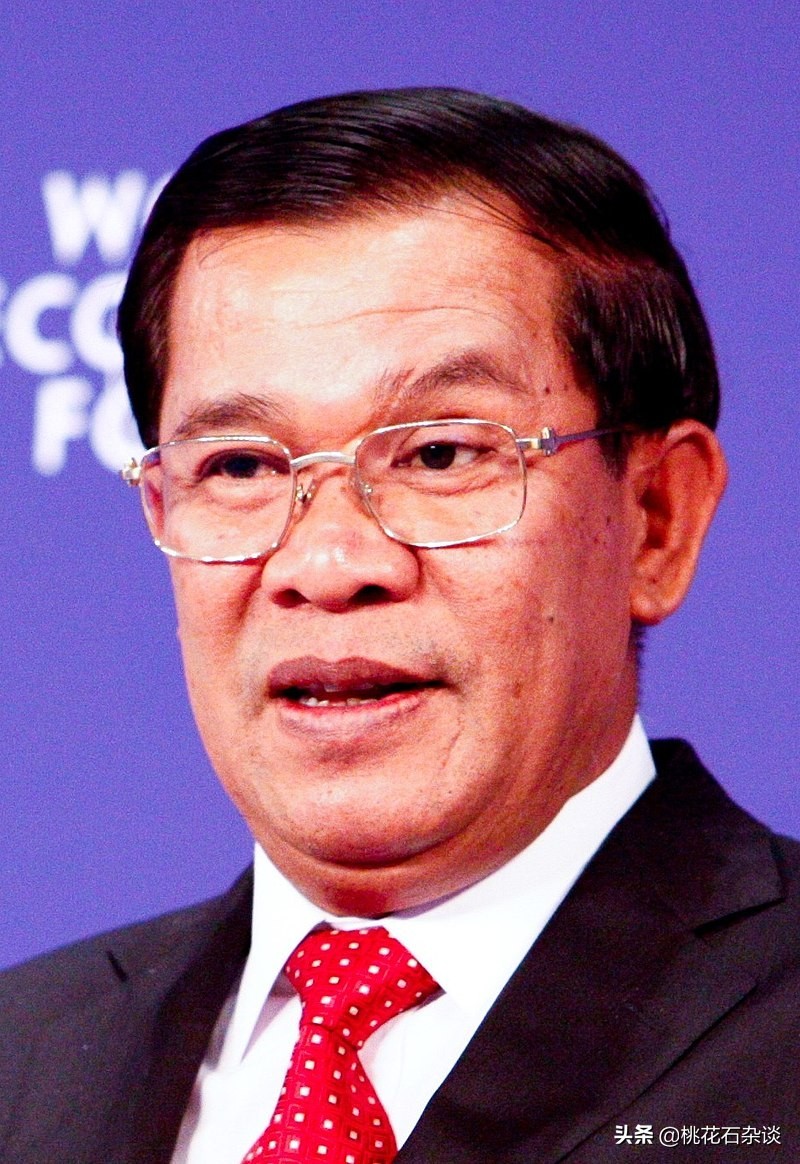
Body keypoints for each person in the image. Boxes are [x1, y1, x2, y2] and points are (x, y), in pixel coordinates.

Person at [1, 88, 797, 1164]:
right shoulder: (22, 1057)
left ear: (656, 519)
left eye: (439, 454)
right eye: (239, 466)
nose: (327, 566)